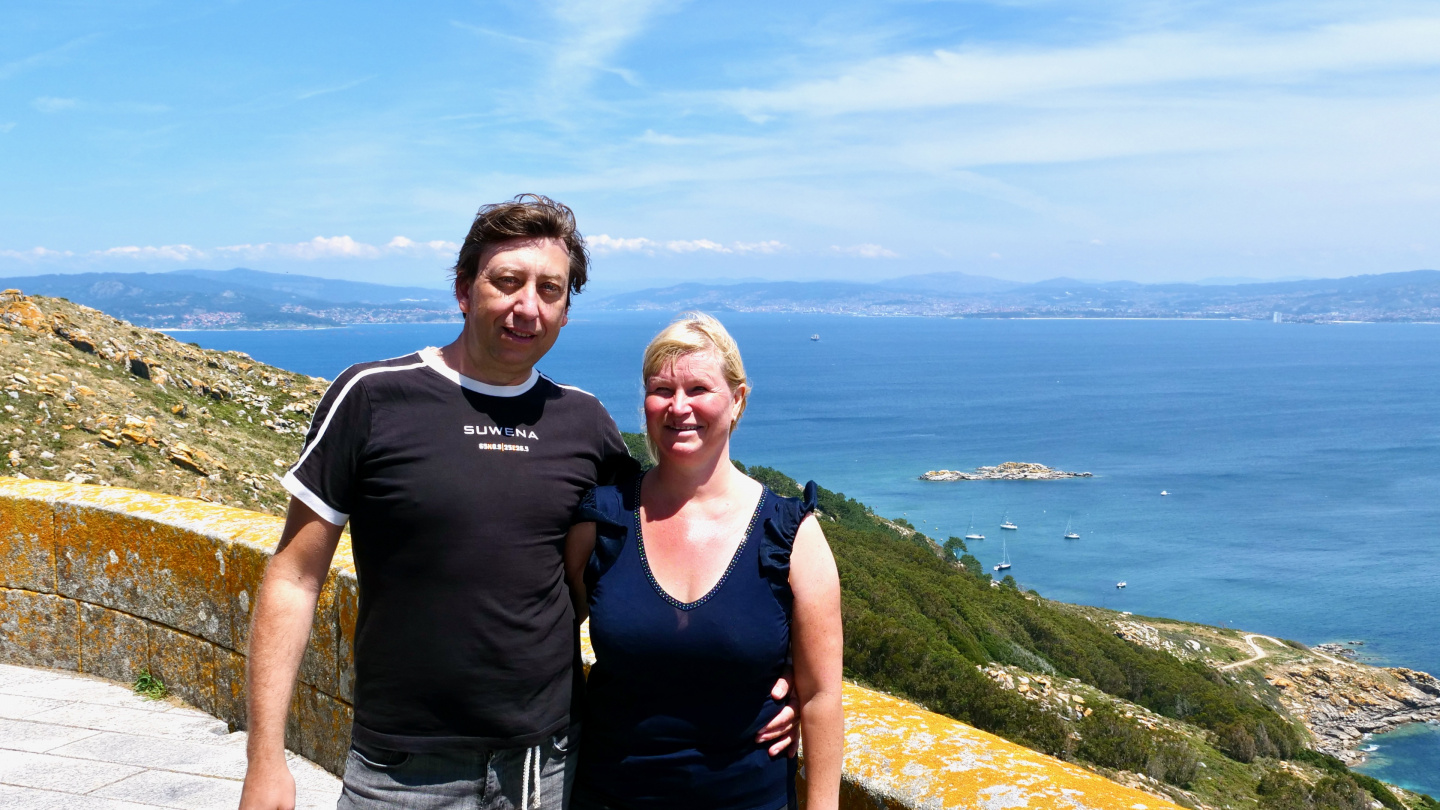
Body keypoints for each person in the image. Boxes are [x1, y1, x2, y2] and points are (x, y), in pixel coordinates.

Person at [238, 197, 798, 810]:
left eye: (549, 290)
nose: (526, 306)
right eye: (507, 281)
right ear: (463, 289)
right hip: (402, 767)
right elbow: (294, 578)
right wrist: (265, 758)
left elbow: (666, 551)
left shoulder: (583, 423)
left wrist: (775, 682)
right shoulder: (373, 397)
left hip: (550, 765)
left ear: (564, 311)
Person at [563, 313, 844, 810]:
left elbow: (822, 698)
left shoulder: (791, 535)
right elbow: (547, 638)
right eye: (661, 389)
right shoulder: (603, 522)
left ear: (737, 401)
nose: (679, 407)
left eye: (699, 388)